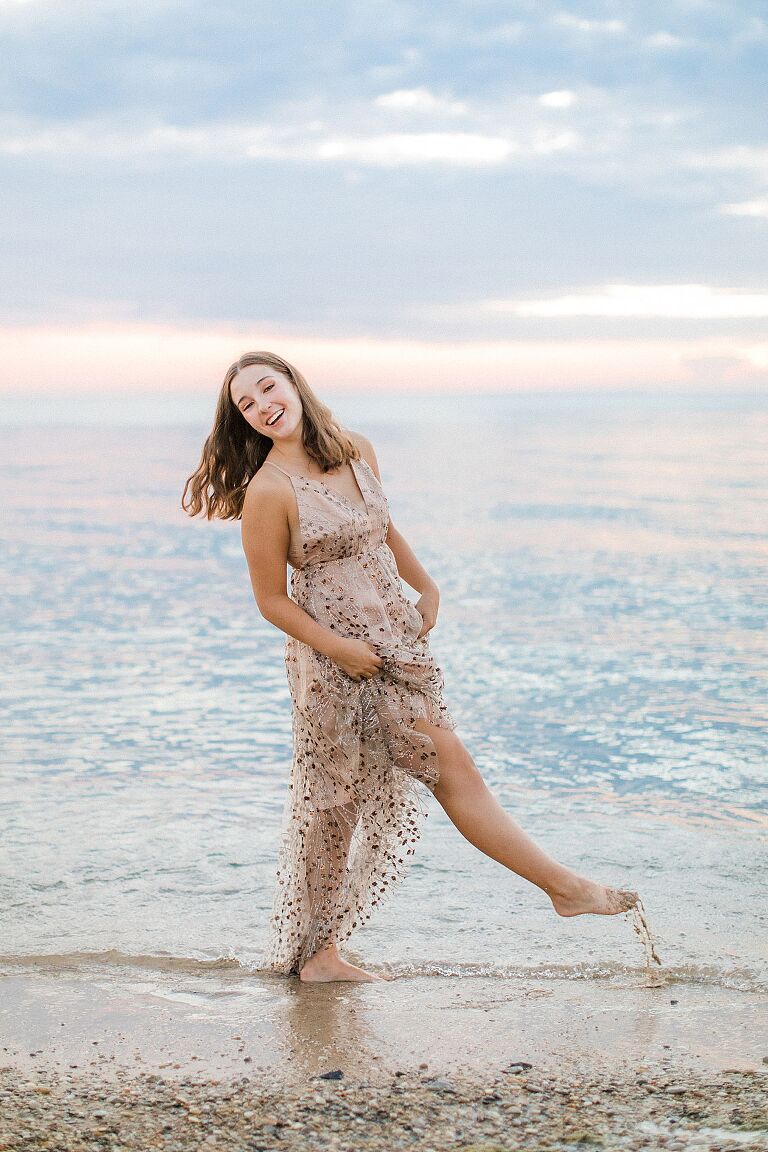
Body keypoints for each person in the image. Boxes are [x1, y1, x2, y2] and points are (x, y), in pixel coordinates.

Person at [182, 350, 639, 984]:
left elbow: (382, 526)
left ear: (294, 384)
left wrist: (425, 585)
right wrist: (339, 650)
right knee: (345, 799)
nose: (262, 406)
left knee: (427, 773)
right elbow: (271, 601)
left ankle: (324, 954)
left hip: (396, 641)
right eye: (247, 404)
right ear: (243, 420)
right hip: (336, 661)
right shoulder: (269, 491)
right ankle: (555, 889)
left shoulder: (353, 448)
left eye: (268, 388)